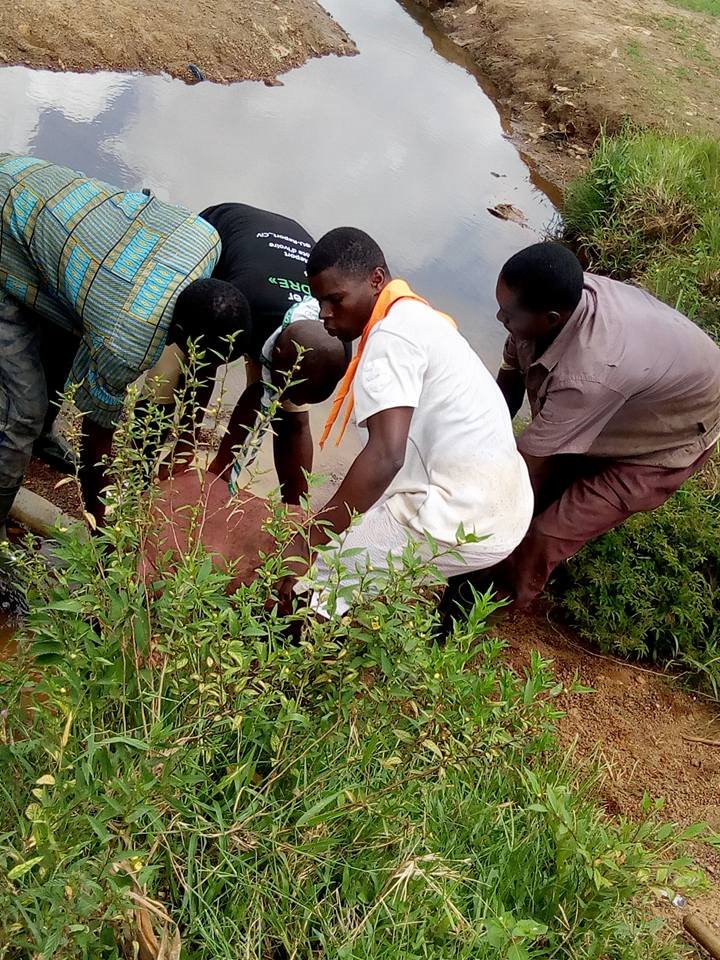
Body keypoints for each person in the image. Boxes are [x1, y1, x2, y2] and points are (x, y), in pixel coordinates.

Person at [445, 240, 720, 614]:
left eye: (508, 316)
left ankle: (478, 614)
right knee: (532, 492)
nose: (499, 320)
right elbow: (504, 390)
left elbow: (522, 471)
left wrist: (462, 499)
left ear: (552, 319)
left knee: (546, 532)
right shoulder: (548, 294)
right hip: (639, 382)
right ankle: (476, 569)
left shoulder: (586, 376)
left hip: (671, 434)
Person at [275, 227, 534, 615]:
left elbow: (385, 457)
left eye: (335, 299)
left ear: (376, 280)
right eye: (319, 301)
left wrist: (308, 541)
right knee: (357, 539)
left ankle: (283, 662)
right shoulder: (417, 316)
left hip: (464, 514)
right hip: (507, 506)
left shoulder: (391, 338)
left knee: (323, 572)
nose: (325, 314)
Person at [0, 153, 247, 531]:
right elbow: (95, 438)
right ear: (178, 335)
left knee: (69, 336)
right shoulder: (125, 339)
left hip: (39, 187)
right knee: (22, 411)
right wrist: (102, 523)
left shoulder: (205, 240)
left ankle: (40, 441)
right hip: (8, 225)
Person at [147, 203, 350, 503]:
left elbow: (269, 395)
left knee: (292, 416)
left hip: (275, 291)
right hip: (220, 231)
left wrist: (224, 469)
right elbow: (202, 366)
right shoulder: (241, 305)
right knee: (168, 375)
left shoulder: (338, 333)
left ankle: (294, 511)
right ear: (274, 352)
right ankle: (137, 473)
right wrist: (184, 448)